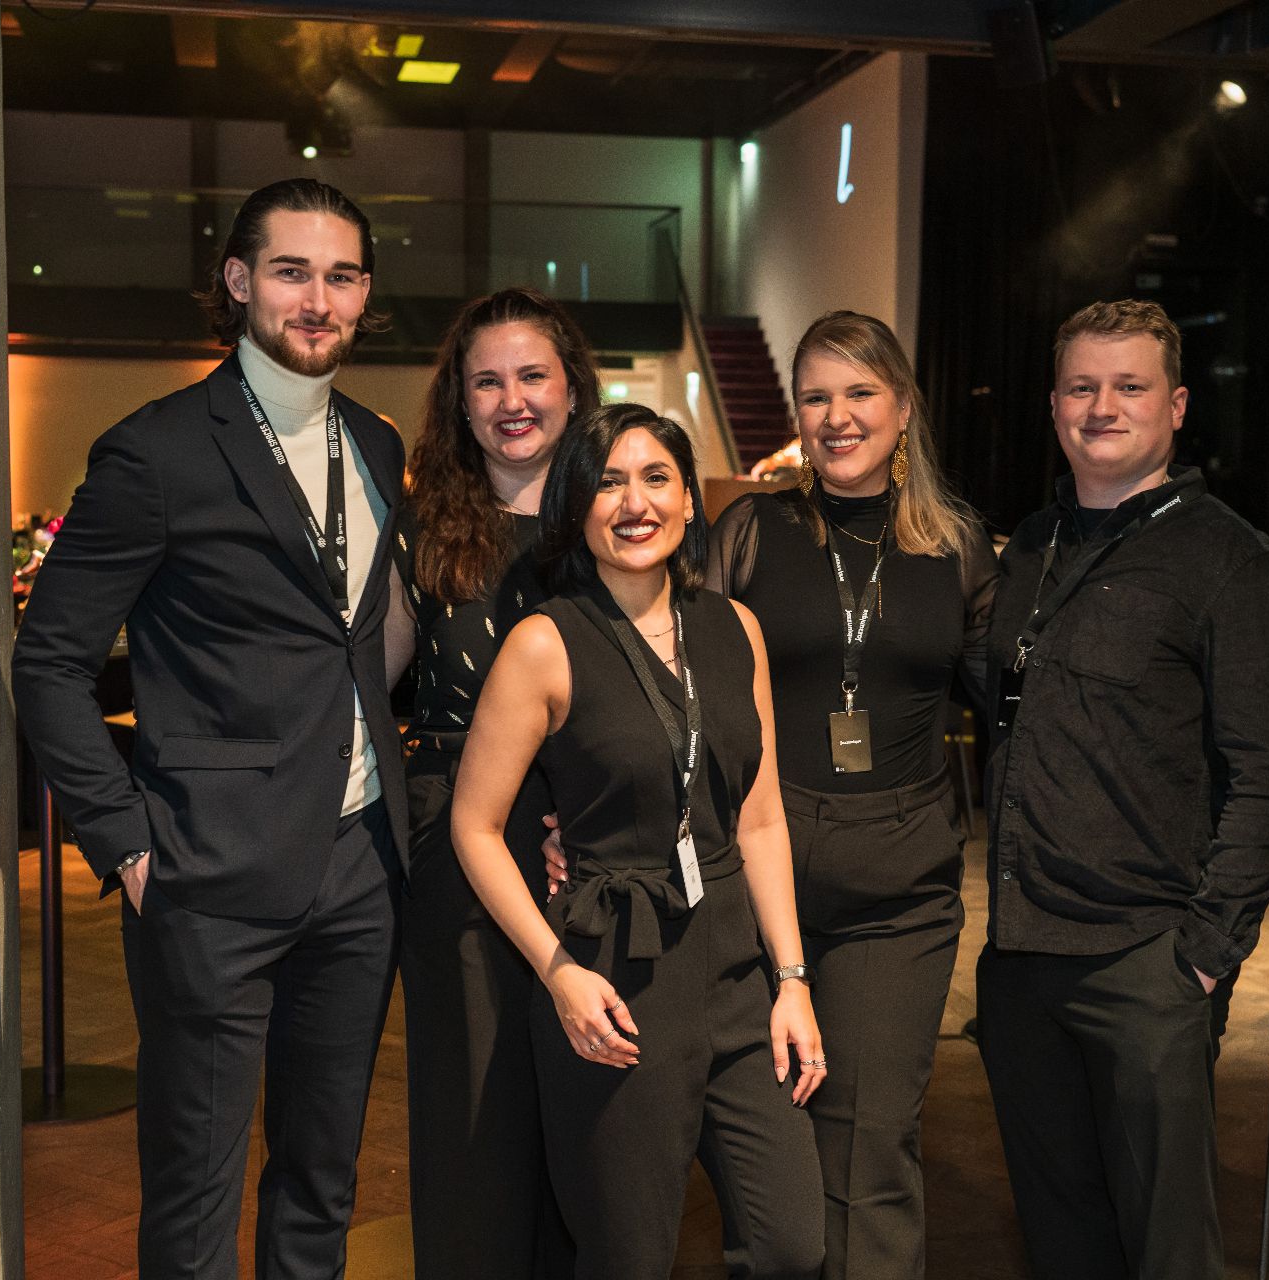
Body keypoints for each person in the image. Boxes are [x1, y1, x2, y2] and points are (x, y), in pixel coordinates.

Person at [12, 179, 409, 1280]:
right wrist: (126, 842)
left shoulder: (377, 445)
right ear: (239, 281)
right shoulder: (156, 452)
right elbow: (49, 663)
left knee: (321, 1182)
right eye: (291, 272)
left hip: (359, 863)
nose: (317, 299)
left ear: (365, 293)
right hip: (205, 876)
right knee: (195, 1198)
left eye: (341, 276)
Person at [974, 299, 1269, 1280]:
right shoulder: (1031, 546)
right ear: (1054, 404)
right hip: (1019, 962)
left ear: (1175, 405)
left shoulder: (1236, 565)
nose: (1102, 406)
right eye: (1082, 386)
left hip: (1144, 966)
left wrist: (1201, 959)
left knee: (1169, 1251)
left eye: (1129, 386)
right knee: (1060, 1238)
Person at [451, 405, 828, 1280]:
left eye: (656, 478)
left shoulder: (735, 628)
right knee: (627, 1256)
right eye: (609, 483)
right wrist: (559, 973)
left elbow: (761, 817)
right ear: (577, 508)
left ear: (690, 500)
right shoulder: (543, 644)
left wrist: (792, 978)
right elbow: (475, 827)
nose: (635, 503)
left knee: (791, 1243)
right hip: (612, 977)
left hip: (735, 971)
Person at [696, 310, 997, 1279]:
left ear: (903, 406)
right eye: (816, 397)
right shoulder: (751, 531)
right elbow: (682, 686)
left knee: (868, 1151)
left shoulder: (956, 545)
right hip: (756, 868)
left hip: (895, 890)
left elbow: (1013, 706)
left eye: (860, 392)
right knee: (765, 1161)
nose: (837, 417)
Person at [382, 287, 599, 1278]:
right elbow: (365, 679)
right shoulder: (424, 527)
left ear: (573, 389)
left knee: (587, 1119)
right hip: (456, 843)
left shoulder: (619, 522)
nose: (513, 400)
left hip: (592, 838)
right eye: (487, 382)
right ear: (459, 404)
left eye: (532, 376)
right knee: (473, 1118)